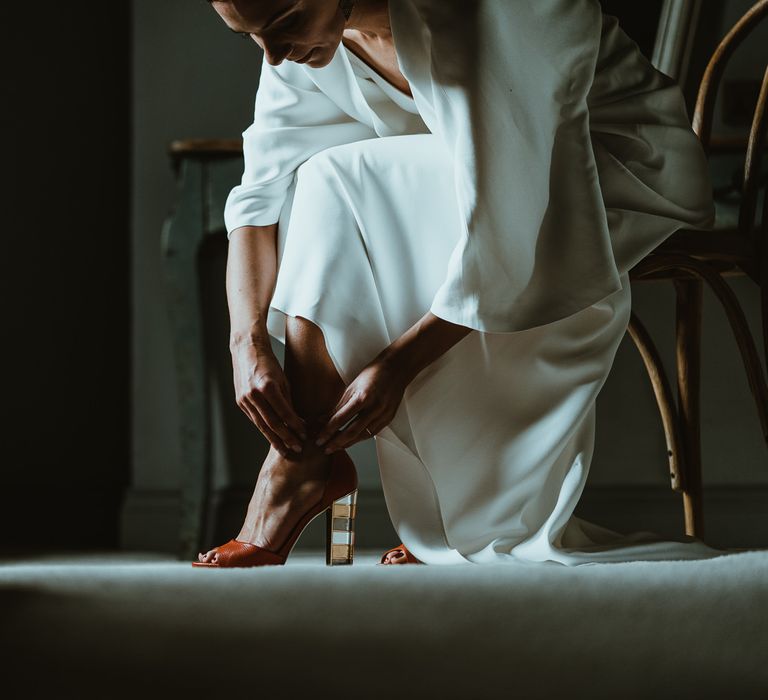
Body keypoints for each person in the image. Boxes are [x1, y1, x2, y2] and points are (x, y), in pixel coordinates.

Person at [194, 0, 725, 567]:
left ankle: (303, 470)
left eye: (282, 23)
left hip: (608, 168)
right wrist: (245, 343)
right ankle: (318, 470)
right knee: (317, 188)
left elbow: (513, 215)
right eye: (252, 35)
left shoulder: (501, 12)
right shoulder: (304, 41)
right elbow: (259, 196)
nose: (273, 52)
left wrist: (400, 364)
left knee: (338, 180)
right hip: (477, 186)